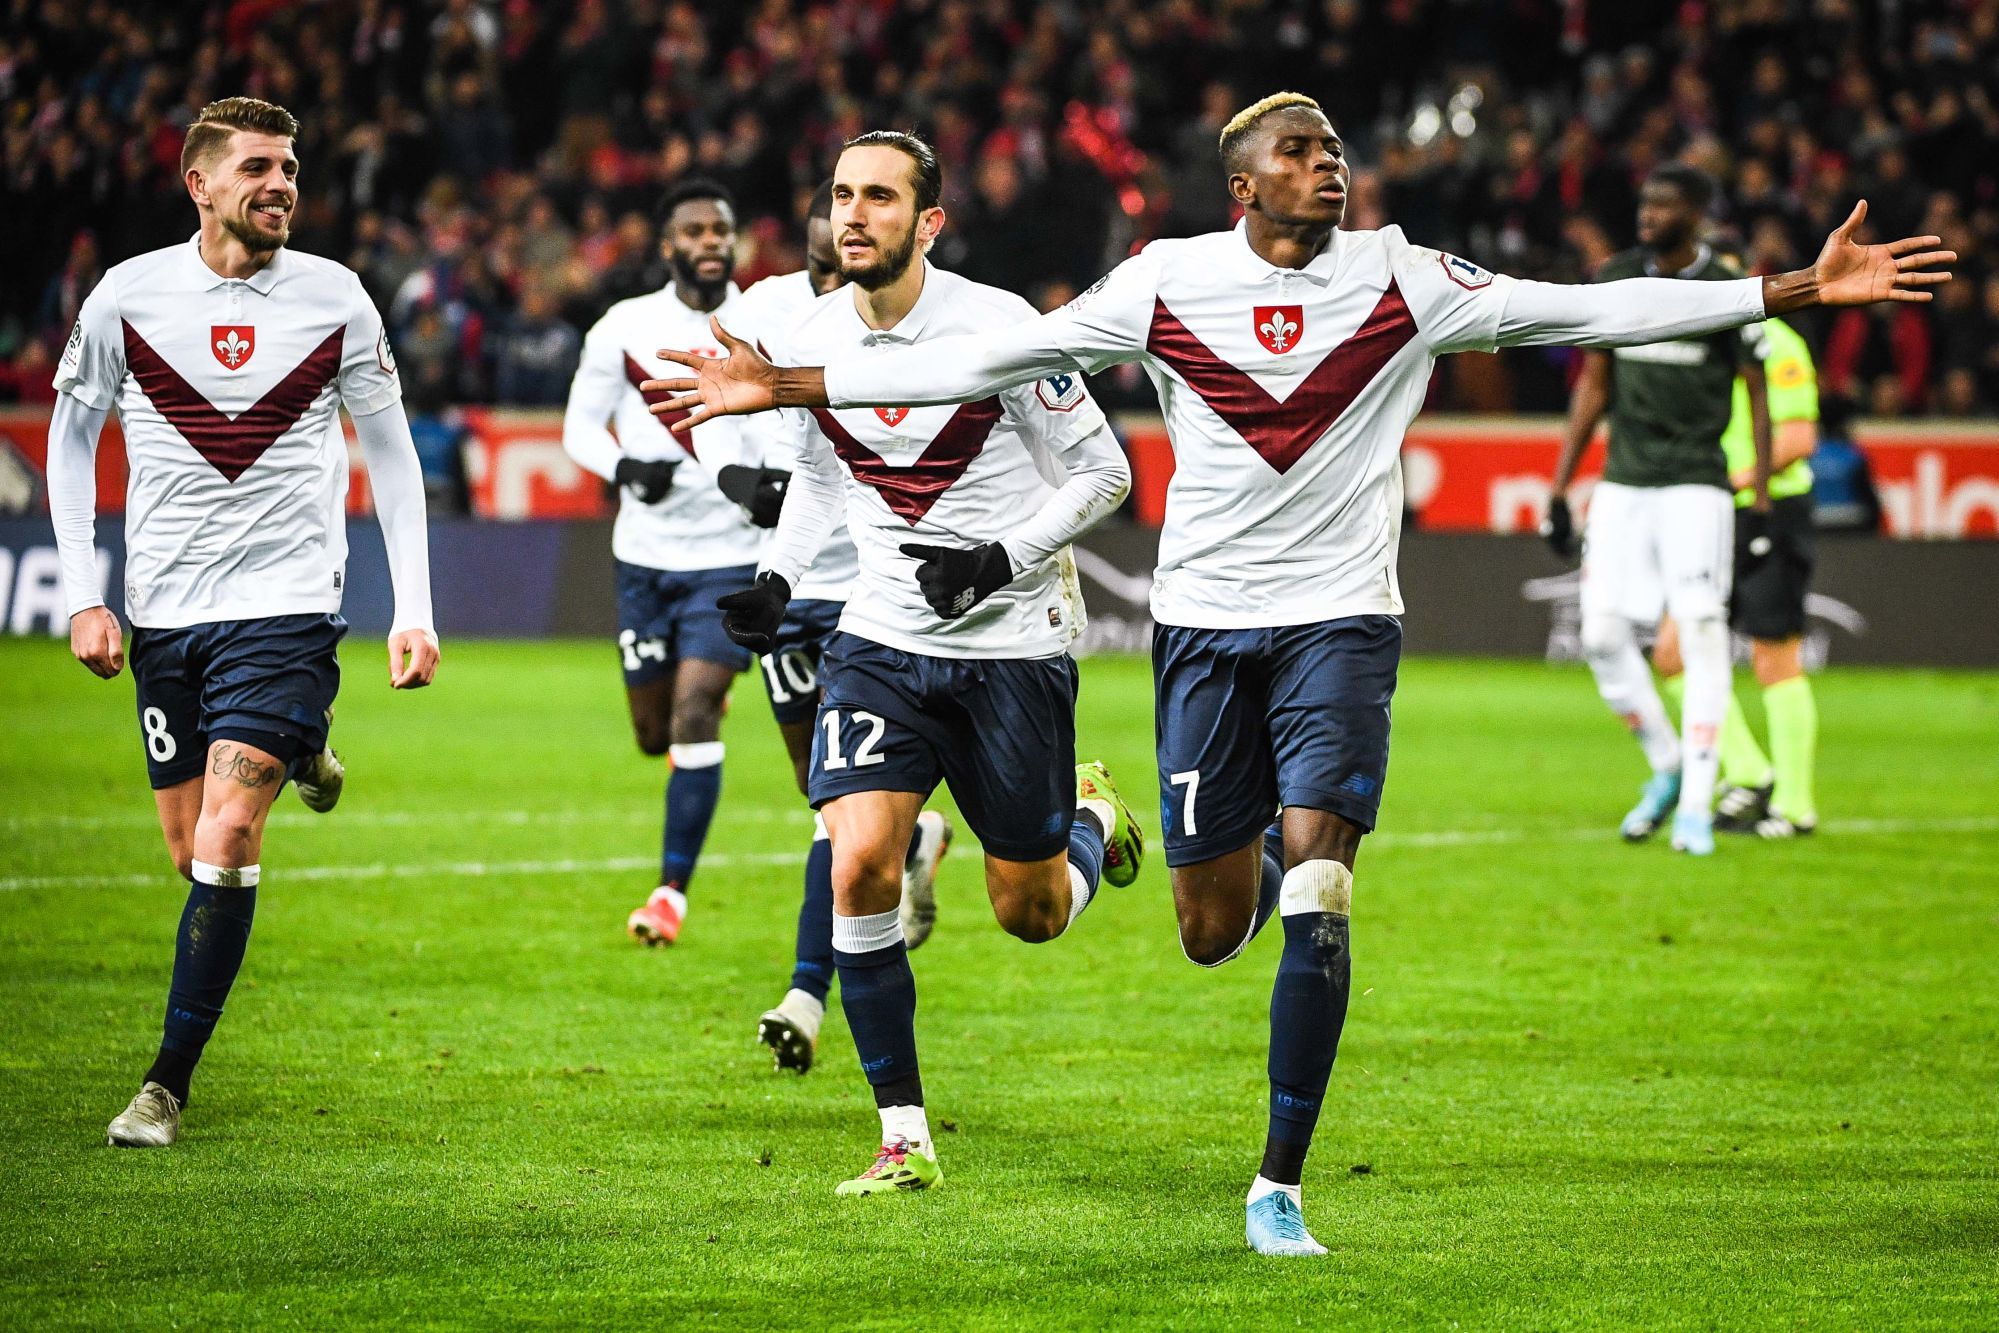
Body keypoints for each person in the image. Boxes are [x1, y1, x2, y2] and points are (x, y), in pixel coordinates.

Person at [646, 93, 1952, 1253]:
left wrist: (1777, 291)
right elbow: (981, 360)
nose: (1327, 166)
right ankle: (1184, 846)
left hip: (1341, 623)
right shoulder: (1163, 281)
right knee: (1210, 927)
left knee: (1321, 882)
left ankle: (1275, 1183)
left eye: (1332, 149)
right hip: (1202, 627)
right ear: (1242, 186)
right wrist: (792, 385)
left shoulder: (1400, 279)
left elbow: (1579, 306)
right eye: (1298, 150)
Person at [703, 130, 1145, 1194]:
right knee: (856, 860)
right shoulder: (807, 340)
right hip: (881, 642)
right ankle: (903, 1135)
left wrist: (998, 558)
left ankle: (1093, 819)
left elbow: (1105, 473)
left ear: (928, 222)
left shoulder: (1002, 329)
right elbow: (818, 476)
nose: (854, 215)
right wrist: (777, 576)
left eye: (881, 198)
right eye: (842, 194)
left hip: (1012, 648)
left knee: (1028, 912)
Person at [45, 97, 440, 1148]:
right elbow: (71, 442)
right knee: (188, 852)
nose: (282, 185)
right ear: (201, 183)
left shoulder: (337, 299)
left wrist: (415, 608)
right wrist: (86, 591)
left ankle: (164, 1085)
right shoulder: (127, 298)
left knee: (227, 835)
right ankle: (307, 744)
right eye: (260, 167)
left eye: (292, 167)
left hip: (288, 608)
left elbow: (392, 454)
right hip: (166, 613)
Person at [724, 181, 952, 1074]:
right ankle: (918, 842)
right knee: (823, 803)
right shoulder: (775, 316)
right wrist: (742, 506)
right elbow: (723, 426)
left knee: (841, 825)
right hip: (799, 588)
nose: (841, 265)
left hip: (880, 601)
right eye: (826, 250)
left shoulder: (932, 323)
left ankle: (806, 993)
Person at [1545, 165, 1773, 856]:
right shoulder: (1615, 277)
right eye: (1643, 200)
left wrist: (1757, 493)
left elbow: (1756, 390)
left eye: (1665, 203)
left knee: (1701, 630)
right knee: (1601, 634)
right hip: (1623, 482)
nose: (1647, 212)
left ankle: (1698, 807)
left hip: (1696, 485)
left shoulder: (1723, 287)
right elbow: (1594, 385)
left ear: (1699, 212)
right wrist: (1560, 485)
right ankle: (1668, 765)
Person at [561, 179, 762, 947]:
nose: (710, 242)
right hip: (643, 558)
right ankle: (699, 696)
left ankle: (670, 893)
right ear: (667, 244)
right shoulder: (623, 327)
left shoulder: (762, 322)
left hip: (731, 556)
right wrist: (619, 470)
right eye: (695, 231)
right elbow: (579, 427)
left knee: (691, 714)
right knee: (653, 734)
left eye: (721, 229)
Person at [1652, 315, 1821, 838]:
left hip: (1768, 511)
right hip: (1714, 515)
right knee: (1672, 652)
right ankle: (1748, 771)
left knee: (1775, 655)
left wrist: (1732, 480)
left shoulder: (1776, 342)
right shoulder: (1702, 346)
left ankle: (1794, 806)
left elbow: (1797, 437)